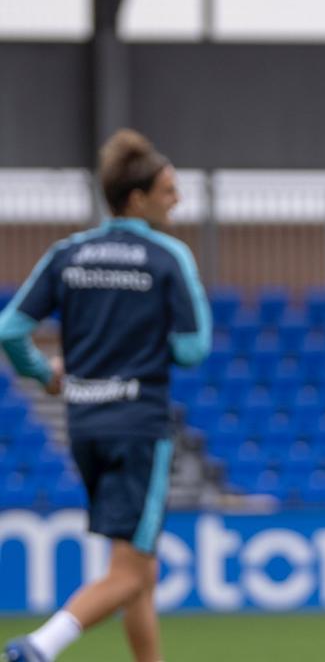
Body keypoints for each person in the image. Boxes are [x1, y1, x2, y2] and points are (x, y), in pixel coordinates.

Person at [2, 129, 211, 662]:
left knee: (138, 567)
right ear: (137, 198)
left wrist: (44, 374)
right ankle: (41, 646)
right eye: (168, 190)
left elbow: (10, 328)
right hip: (139, 426)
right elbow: (191, 348)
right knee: (130, 570)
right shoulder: (168, 256)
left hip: (84, 424)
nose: (178, 200)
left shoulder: (68, 252)